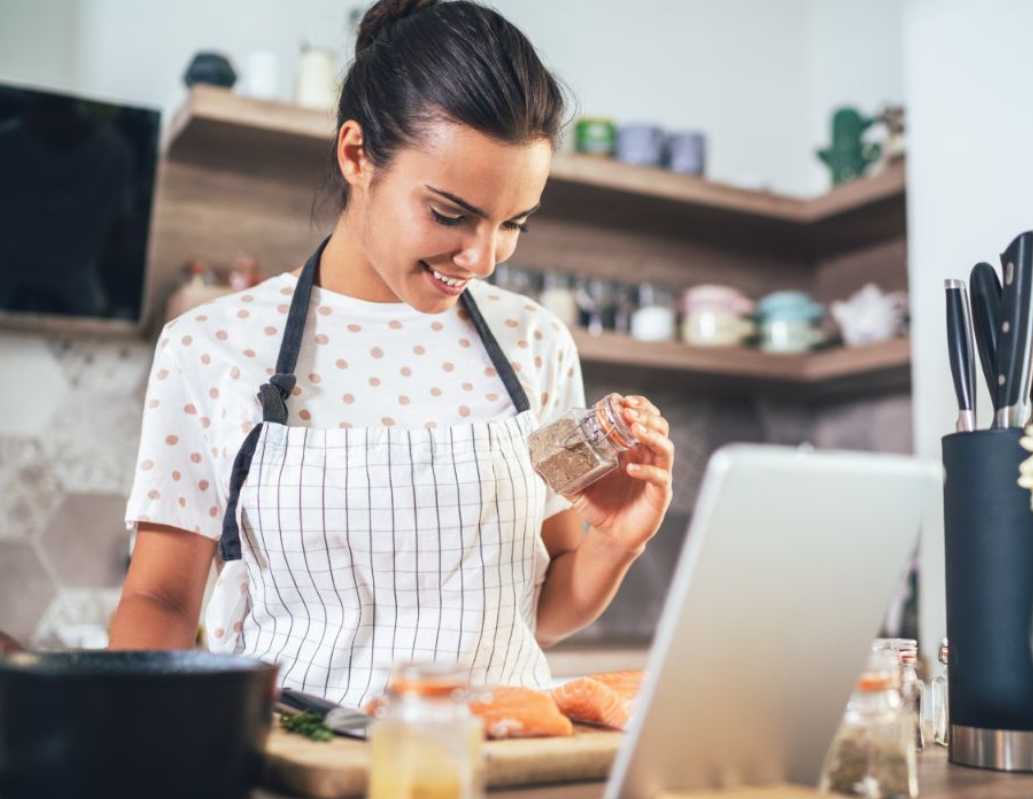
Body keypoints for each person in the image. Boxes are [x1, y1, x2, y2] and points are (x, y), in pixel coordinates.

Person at [110, 0, 674, 709]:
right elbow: (160, 597)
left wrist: (614, 543)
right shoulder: (212, 345)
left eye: (513, 224)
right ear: (356, 155)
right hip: (298, 765)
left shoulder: (536, 345)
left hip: (497, 765)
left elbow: (544, 610)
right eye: (449, 213)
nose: (481, 256)